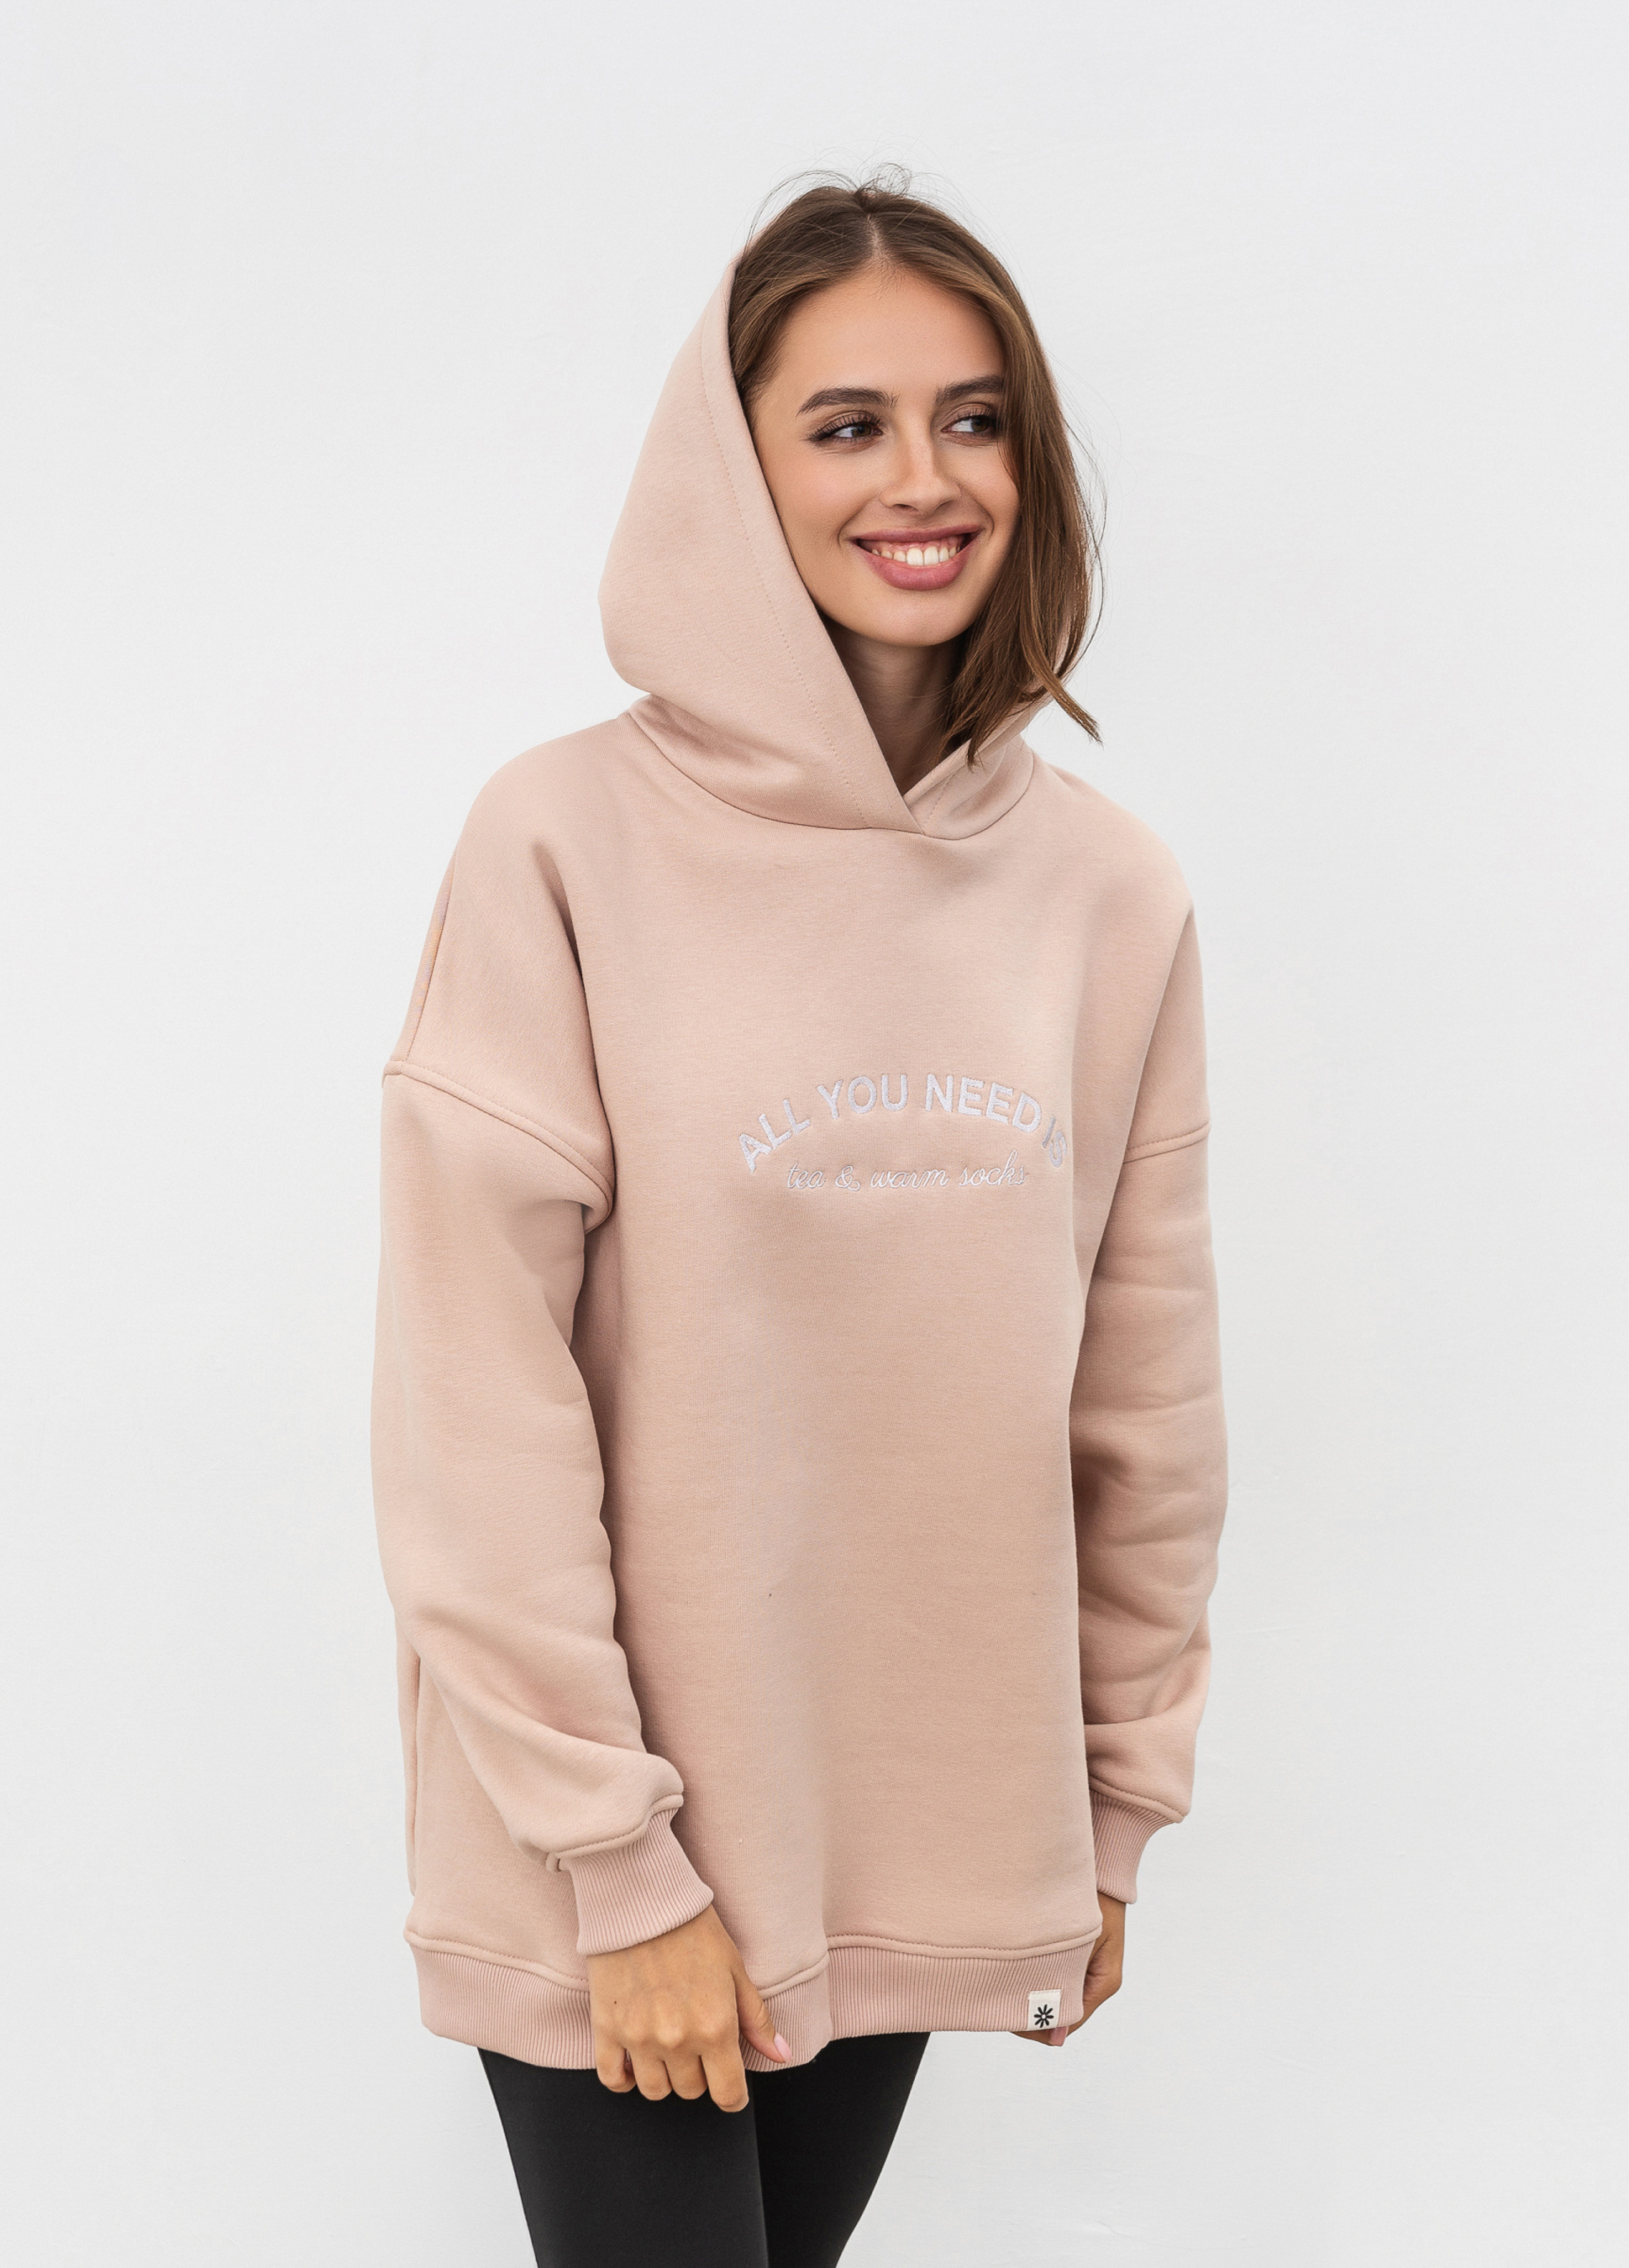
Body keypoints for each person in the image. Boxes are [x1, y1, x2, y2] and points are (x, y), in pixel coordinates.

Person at [370, 170, 1229, 2268]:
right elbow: (473, 1413)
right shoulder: (563, 843)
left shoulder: (1104, 896)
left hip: (917, 1829)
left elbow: (1142, 1401)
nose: (922, 478)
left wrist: (1110, 1806)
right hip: (610, 1860)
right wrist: (618, 1867)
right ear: (731, 468)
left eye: (972, 417)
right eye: (847, 424)